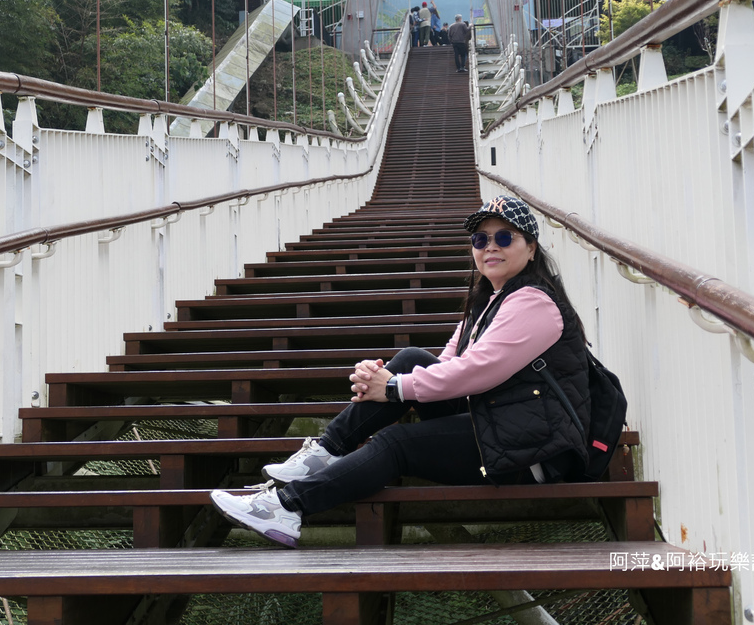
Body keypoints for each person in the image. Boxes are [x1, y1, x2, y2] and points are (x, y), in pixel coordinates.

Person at [210, 196, 593, 548]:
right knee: (411, 357)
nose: (490, 246)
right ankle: (325, 452)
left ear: (531, 247)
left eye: (504, 236)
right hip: (505, 424)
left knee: (396, 443)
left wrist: (392, 388)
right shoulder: (489, 300)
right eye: (480, 239)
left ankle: (287, 507)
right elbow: (448, 367)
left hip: (536, 450)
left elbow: (478, 373)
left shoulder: (534, 302)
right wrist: (385, 380)